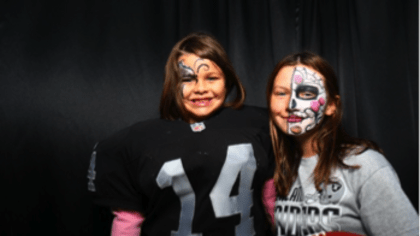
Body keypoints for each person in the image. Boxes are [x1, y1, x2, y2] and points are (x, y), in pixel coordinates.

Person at [87, 32, 274, 235]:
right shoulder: (139, 141)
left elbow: (270, 198)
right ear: (173, 84)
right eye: (187, 79)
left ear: (227, 81)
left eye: (211, 78)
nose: (201, 88)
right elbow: (128, 219)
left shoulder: (258, 125)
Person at [264, 51, 420, 235]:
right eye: (281, 93)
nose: (291, 104)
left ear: (331, 105)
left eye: (306, 93)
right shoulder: (274, 167)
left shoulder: (364, 165)